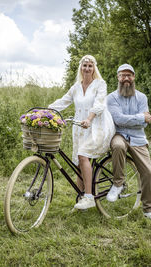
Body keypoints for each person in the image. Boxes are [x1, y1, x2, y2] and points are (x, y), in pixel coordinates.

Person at [48, 55, 115, 210]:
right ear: (81, 68)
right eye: (84, 65)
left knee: (83, 155)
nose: (87, 68)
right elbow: (63, 101)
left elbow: (99, 104)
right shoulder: (76, 87)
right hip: (79, 127)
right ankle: (81, 199)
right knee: (79, 164)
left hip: (97, 126)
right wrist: (46, 110)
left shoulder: (100, 84)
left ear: (94, 68)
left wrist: (89, 118)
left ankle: (90, 197)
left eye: (90, 66)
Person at [106, 63, 151, 222]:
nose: (126, 78)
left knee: (148, 173)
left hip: (138, 138)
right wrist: (140, 117)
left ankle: (148, 210)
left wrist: (139, 120)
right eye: (122, 75)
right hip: (119, 135)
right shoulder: (112, 98)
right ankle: (118, 184)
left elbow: (145, 124)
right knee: (117, 146)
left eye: (129, 75)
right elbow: (118, 119)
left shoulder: (142, 97)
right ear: (118, 77)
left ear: (134, 77)